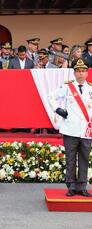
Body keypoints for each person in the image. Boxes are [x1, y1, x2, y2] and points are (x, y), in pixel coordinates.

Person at [49, 58, 92, 197]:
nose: (81, 74)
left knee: (84, 158)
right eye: (78, 71)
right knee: (71, 159)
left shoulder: (91, 89)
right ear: (74, 73)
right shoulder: (68, 87)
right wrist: (58, 109)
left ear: (87, 73)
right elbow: (51, 97)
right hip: (70, 129)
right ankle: (71, 186)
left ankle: (82, 186)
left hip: (86, 130)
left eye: (83, 71)